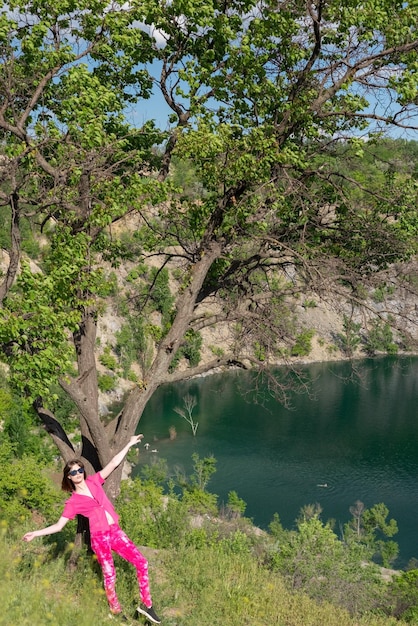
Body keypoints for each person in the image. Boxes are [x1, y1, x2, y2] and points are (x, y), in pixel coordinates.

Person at [23, 434, 161, 624]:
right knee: (110, 574)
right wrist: (35, 533)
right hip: (100, 538)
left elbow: (112, 464)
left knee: (142, 563)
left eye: (80, 470)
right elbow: (58, 526)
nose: (78, 474)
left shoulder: (94, 481)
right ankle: (115, 610)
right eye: (73, 472)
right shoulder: (73, 502)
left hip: (115, 531)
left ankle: (147, 605)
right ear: (68, 477)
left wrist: (128, 444)